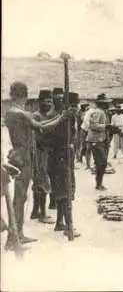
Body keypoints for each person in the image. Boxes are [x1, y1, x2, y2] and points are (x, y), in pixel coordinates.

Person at [4, 82, 72, 250]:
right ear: (26, 95)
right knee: (19, 198)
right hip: (24, 156)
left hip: (18, 153)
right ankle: (14, 238)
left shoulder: (10, 113)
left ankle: (17, 234)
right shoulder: (22, 114)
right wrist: (62, 117)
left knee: (21, 198)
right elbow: (42, 127)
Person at [46, 91, 80, 238]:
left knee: (63, 190)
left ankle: (60, 222)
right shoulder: (54, 116)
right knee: (64, 191)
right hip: (58, 157)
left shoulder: (67, 116)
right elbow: (49, 137)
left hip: (65, 156)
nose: (60, 101)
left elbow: (72, 135)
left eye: (62, 99)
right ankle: (68, 225)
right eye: (58, 99)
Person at [30, 89, 55, 224]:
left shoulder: (48, 116)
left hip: (45, 152)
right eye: (45, 101)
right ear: (39, 102)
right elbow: (39, 135)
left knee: (39, 182)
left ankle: (35, 211)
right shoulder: (36, 116)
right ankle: (43, 214)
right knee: (42, 182)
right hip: (39, 152)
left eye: (50, 101)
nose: (48, 103)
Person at [87, 93, 113, 191]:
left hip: (102, 140)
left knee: (103, 162)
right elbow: (93, 125)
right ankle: (98, 183)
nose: (108, 105)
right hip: (96, 140)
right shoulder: (98, 112)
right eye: (106, 103)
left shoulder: (104, 112)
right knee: (101, 162)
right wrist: (105, 126)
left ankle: (99, 182)